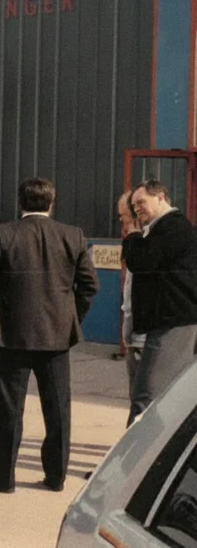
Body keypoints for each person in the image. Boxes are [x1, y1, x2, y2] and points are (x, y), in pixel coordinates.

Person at [0, 178, 98, 494]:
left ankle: (2, 477)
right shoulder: (72, 235)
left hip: (9, 337)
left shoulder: (4, 233)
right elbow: (89, 286)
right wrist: (69, 321)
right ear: (51, 203)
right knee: (57, 409)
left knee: (8, 408)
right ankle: (56, 477)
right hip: (56, 338)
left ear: (21, 203)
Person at [122, 180, 197, 426]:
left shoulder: (172, 227)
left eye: (141, 202)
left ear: (161, 197)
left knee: (147, 395)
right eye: (133, 206)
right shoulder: (161, 229)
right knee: (157, 395)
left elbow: (141, 261)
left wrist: (132, 236)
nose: (137, 210)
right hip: (166, 323)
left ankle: (130, 462)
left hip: (172, 324)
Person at [117, 192, 145, 397]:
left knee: (142, 398)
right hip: (132, 337)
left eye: (123, 214)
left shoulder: (147, 245)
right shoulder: (132, 242)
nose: (121, 220)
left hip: (144, 339)